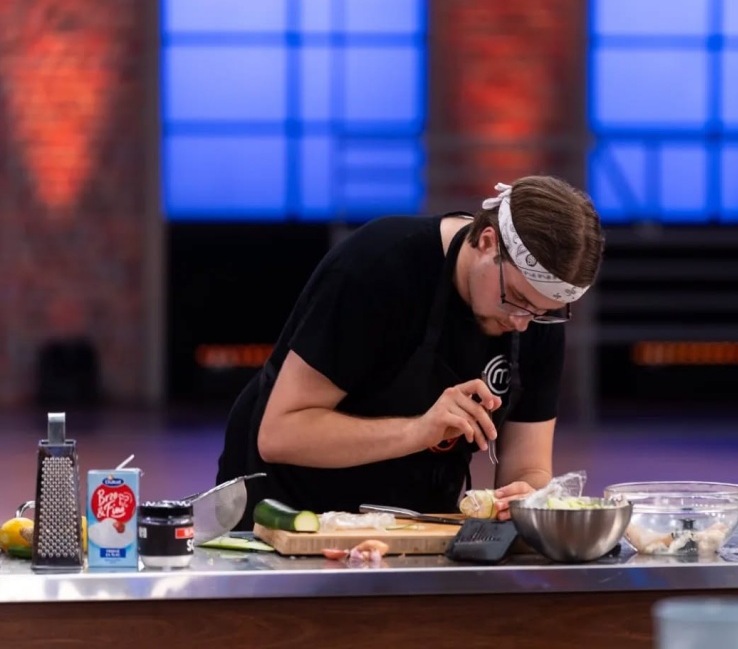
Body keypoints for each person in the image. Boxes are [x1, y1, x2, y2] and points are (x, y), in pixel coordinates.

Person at [216, 175, 605, 529]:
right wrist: (419, 430)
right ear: (487, 242)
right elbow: (281, 434)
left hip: (413, 524)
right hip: (288, 513)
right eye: (515, 298)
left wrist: (526, 497)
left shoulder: (534, 315)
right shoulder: (378, 266)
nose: (523, 322)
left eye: (543, 311)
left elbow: (529, 466)